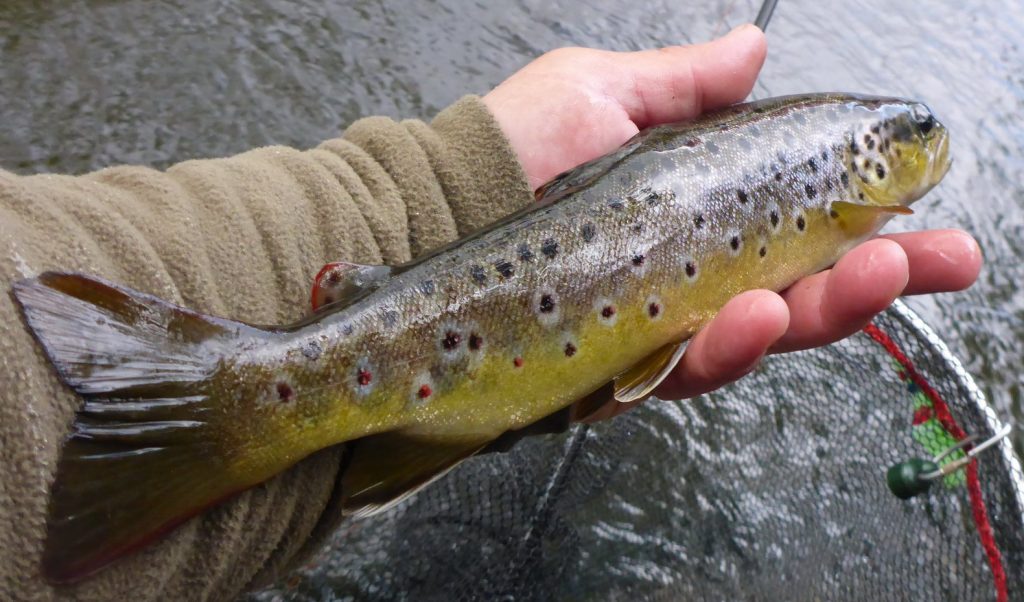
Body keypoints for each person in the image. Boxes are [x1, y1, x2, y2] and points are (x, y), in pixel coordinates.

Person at [0, 24, 980, 601]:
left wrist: (440, 182)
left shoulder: (833, 176)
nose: (926, 144)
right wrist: (453, 182)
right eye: (910, 136)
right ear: (865, 161)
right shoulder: (846, 180)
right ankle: (243, 406)